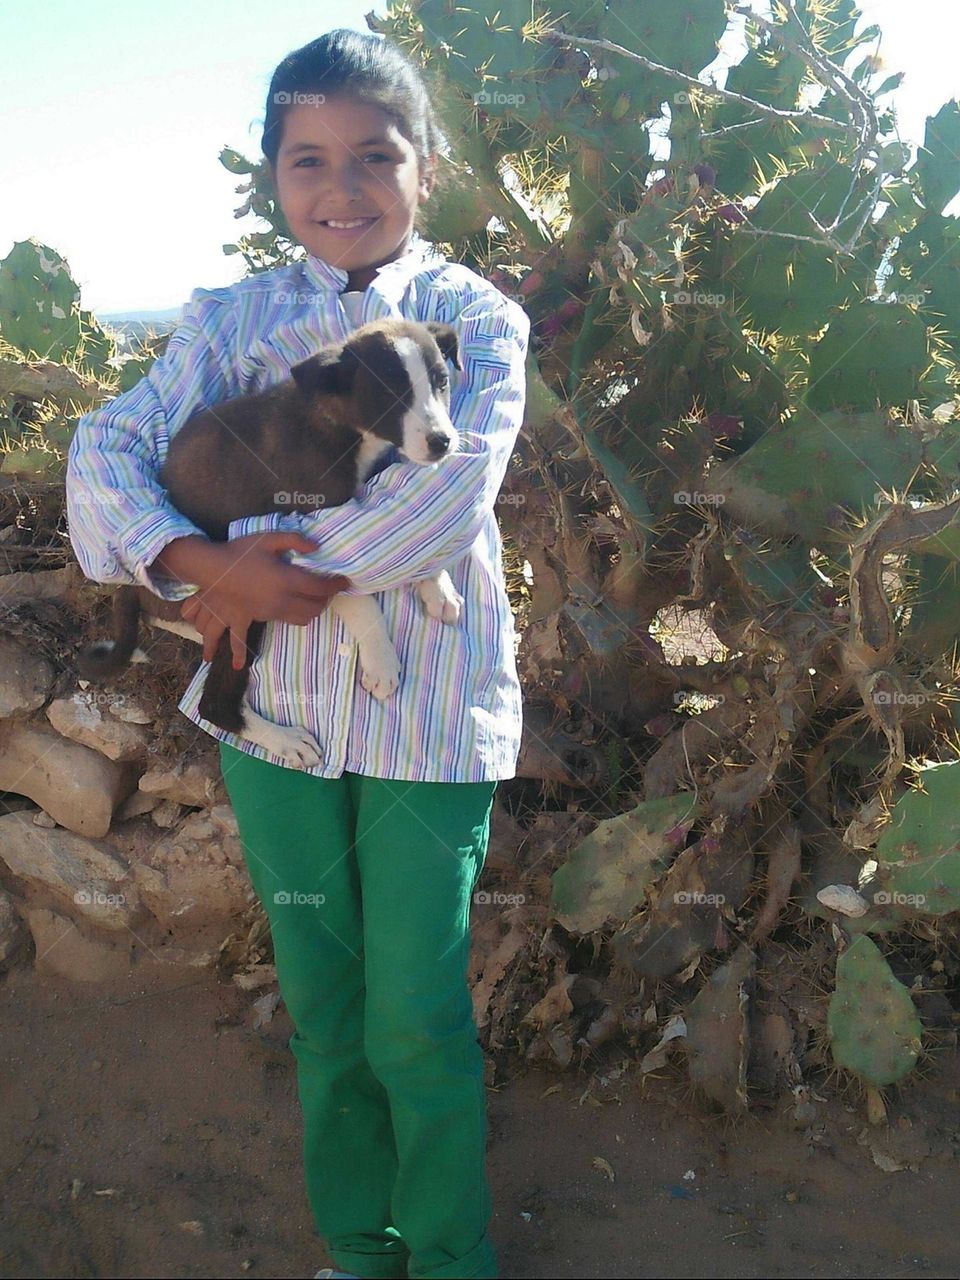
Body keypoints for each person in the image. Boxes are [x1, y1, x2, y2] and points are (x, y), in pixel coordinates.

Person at [65, 26, 530, 1280]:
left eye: (375, 156)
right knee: (325, 1010)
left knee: (418, 1015)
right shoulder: (229, 319)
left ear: (426, 166)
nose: (342, 189)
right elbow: (103, 452)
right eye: (307, 159)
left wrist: (259, 562)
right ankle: (361, 1250)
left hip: (428, 718)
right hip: (272, 723)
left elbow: (444, 503)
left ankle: (449, 1258)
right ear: (273, 176)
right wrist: (207, 564)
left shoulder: (473, 318)